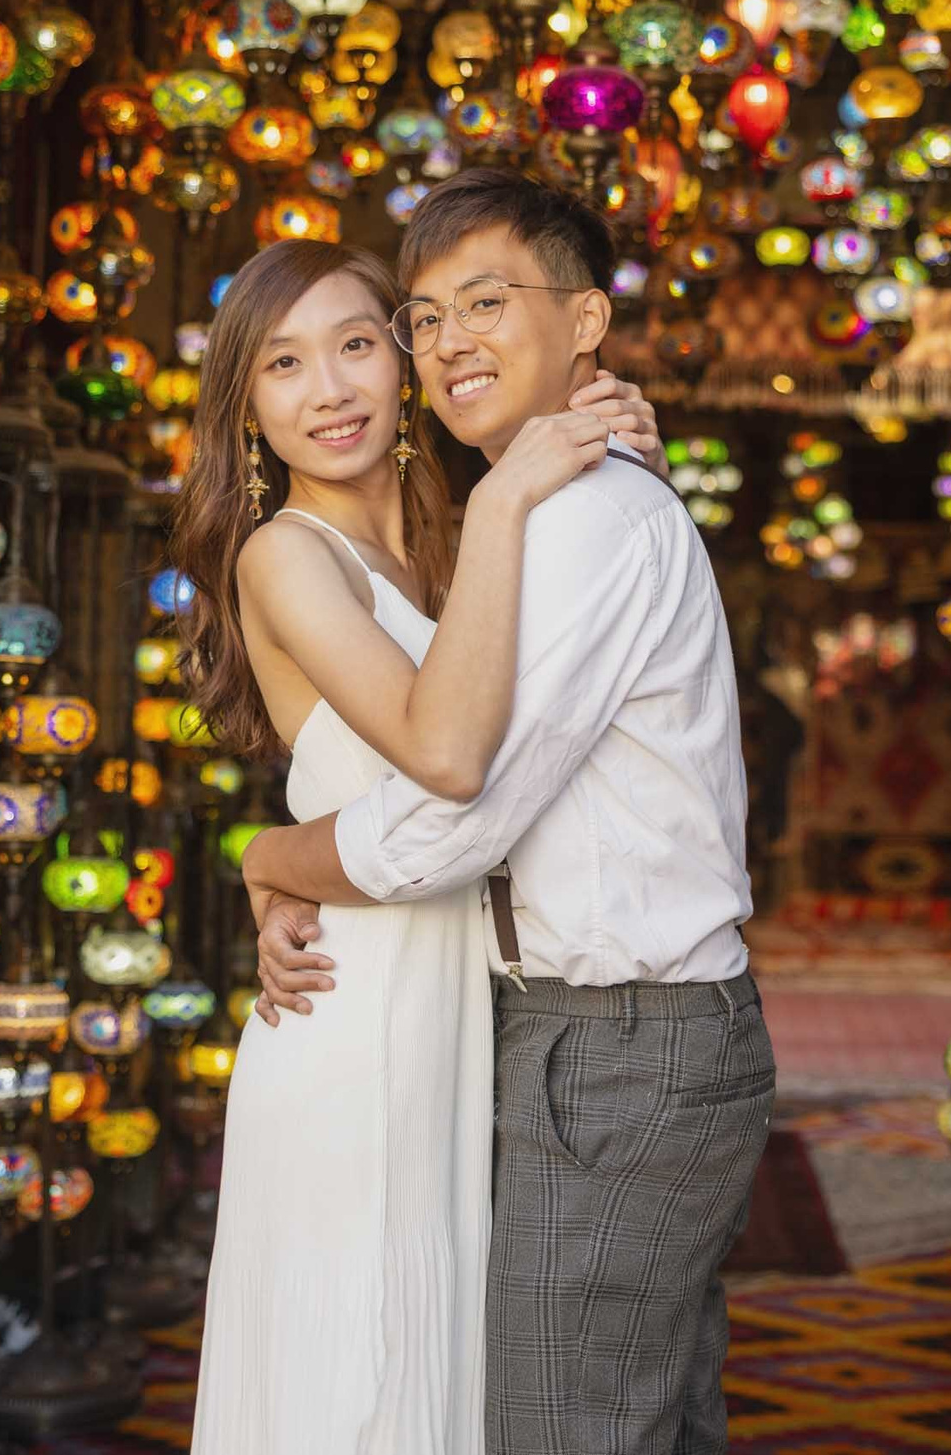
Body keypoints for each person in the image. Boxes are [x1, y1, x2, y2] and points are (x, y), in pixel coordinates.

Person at [239, 168, 777, 1455]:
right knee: (583, 1409)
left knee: (564, 1420)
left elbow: (453, 815)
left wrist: (275, 856)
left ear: (585, 321)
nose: (446, 342)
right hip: (511, 1027)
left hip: (615, 1040)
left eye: (483, 303)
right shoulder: (501, 523)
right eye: (425, 317)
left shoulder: (563, 518)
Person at [171, 236, 663, 1455]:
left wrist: (600, 440)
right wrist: (266, 858)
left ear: (403, 364)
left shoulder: (447, 542)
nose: (330, 389)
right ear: (245, 405)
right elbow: (444, 755)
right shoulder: (285, 553)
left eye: (355, 344)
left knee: (437, 1364)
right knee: (359, 1372)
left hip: (464, 1008)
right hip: (354, 1016)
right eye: (284, 364)